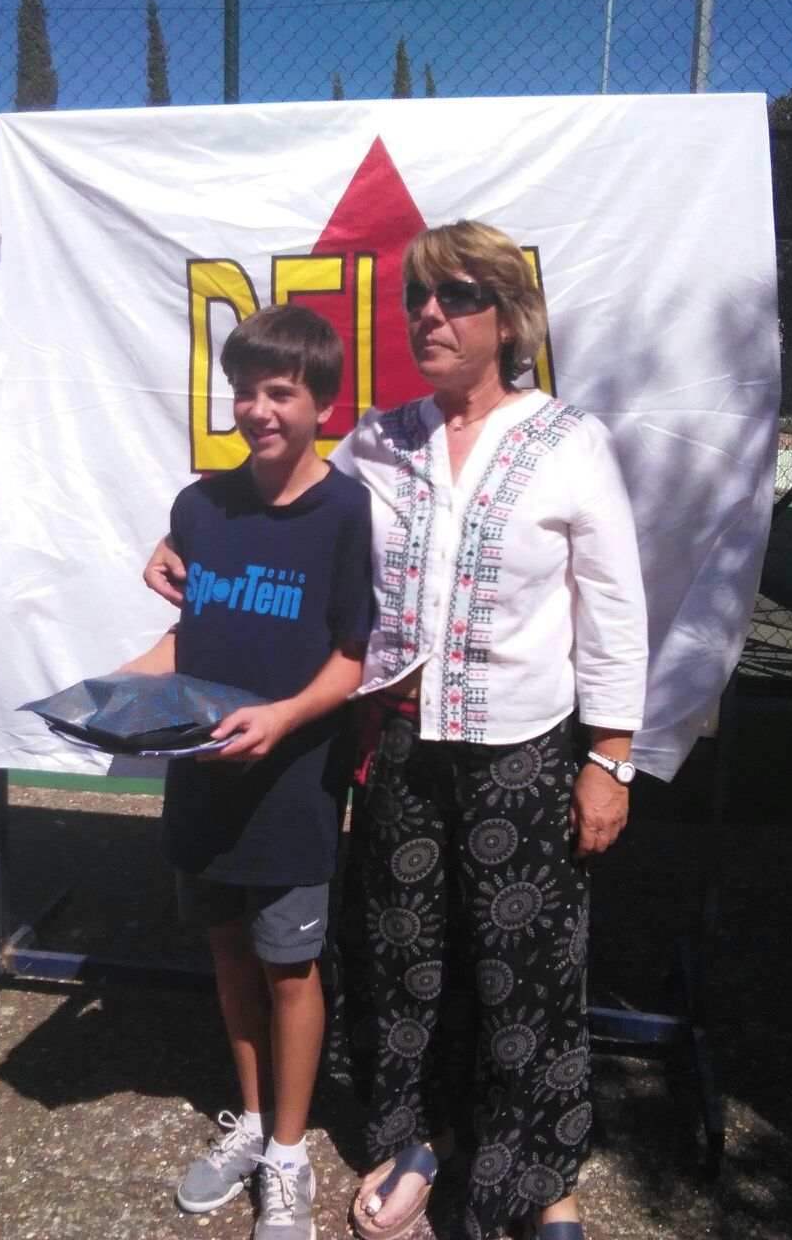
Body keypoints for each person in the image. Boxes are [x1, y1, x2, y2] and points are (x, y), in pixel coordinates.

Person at [144, 221, 648, 1240]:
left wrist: (611, 758)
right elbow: (288, 500)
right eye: (419, 296)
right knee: (403, 958)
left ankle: (540, 1178)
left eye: (456, 296)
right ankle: (416, 1138)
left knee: (525, 968)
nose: (429, 314)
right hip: (401, 748)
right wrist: (180, 534)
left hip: (522, 749)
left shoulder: (567, 441)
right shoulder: (381, 438)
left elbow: (614, 606)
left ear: (508, 317)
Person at [125, 304, 372, 1240]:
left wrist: (285, 716)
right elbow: (189, 634)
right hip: (203, 784)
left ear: (323, 405)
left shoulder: (348, 513)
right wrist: (118, 687)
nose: (259, 410)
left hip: (294, 788)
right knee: (229, 954)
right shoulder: (199, 507)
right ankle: (257, 1123)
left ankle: (291, 1155)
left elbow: (354, 657)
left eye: (281, 392)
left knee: (290, 970)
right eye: (245, 392)